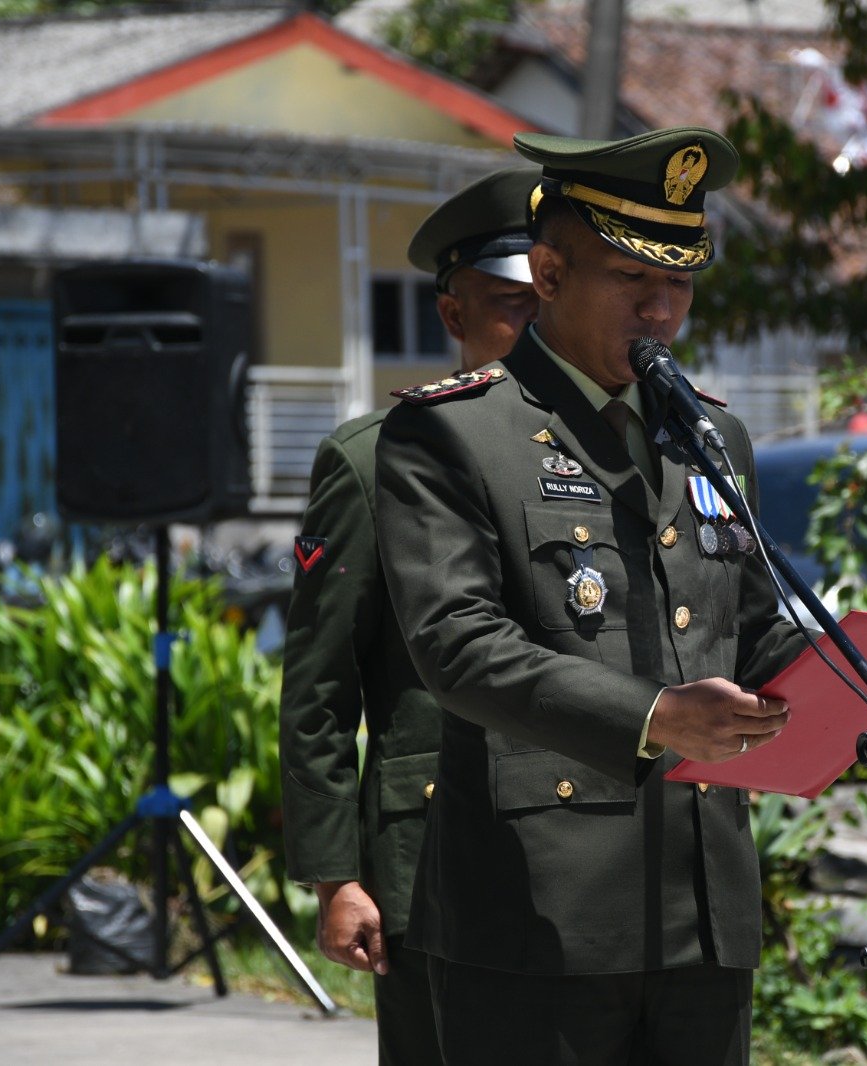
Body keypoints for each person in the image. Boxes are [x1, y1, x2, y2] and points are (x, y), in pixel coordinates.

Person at [375, 127, 867, 1064]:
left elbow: (751, 633)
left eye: (681, 282)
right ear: (548, 274)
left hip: (703, 907)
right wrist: (655, 716)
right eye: (632, 279)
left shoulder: (709, 439)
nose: (661, 309)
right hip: (540, 913)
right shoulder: (455, 435)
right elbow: (457, 645)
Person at [277, 164, 539, 1065]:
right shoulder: (374, 459)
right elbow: (319, 686)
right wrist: (335, 877)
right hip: (429, 846)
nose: (534, 327)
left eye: (548, 302)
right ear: (453, 313)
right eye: (511, 304)